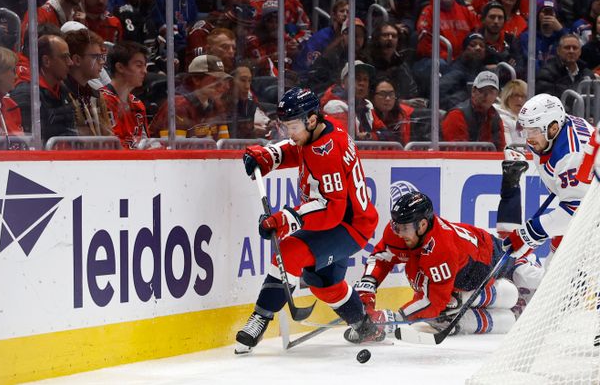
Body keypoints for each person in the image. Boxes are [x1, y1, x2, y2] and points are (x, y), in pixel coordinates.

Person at [234, 87, 380, 354]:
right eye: (285, 125)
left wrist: (285, 219)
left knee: (288, 253)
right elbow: (299, 148)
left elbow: (330, 209)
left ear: (311, 120)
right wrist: (270, 156)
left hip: (346, 226)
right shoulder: (322, 130)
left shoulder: (327, 151)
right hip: (343, 222)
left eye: (292, 125)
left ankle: (259, 319)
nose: (289, 132)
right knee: (325, 285)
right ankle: (364, 324)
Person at [352, 187, 541, 339]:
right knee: (443, 314)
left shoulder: (440, 249)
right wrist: (367, 290)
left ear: (423, 225)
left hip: (486, 259)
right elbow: (380, 258)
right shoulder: (400, 231)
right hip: (460, 265)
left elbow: (434, 303)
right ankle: (507, 310)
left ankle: (532, 273)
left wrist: (392, 319)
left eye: (405, 228)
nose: (399, 233)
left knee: (524, 275)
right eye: (396, 226)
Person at [504, 94, 595, 258]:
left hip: (593, 218)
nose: (529, 138)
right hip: (589, 204)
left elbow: (576, 214)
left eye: (533, 131)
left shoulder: (572, 156)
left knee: (566, 270)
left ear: (553, 128)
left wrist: (533, 232)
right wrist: (534, 236)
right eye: (526, 131)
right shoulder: (554, 132)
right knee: (555, 259)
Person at [10, 34, 77, 142]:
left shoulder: (63, 90)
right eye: (64, 57)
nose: (70, 62)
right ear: (46, 61)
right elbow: (27, 142)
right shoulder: (26, 94)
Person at [150, 55, 231, 140]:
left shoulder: (217, 106)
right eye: (215, 80)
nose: (222, 85)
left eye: (222, 79)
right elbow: (174, 150)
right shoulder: (178, 106)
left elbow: (225, 145)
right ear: (196, 80)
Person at [62, 29, 113, 137]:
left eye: (102, 57)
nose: (102, 62)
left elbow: (109, 138)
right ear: (77, 60)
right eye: (96, 57)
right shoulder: (62, 95)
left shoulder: (97, 96)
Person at [100, 41, 149, 149]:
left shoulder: (138, 105)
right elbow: (110, 147)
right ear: (120, 67)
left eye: (145, 66)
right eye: (139, 65)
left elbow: (146, 144)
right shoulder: (100, 100)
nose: (144, 71)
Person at [441, 70, 506, 151]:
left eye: (491, 92)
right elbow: (456, 151)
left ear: (496, 95)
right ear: (473, 91)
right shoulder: (456, 115)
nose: (486, 95)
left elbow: (501, 149)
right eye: (482, 90)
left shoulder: (495, 117)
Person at [495, 79, 528, 147]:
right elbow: (508, 147)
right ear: (507, 97)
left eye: (523, 96)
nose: (520, 99)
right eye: (516, 95)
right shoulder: (501, 118)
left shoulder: (530, 119)